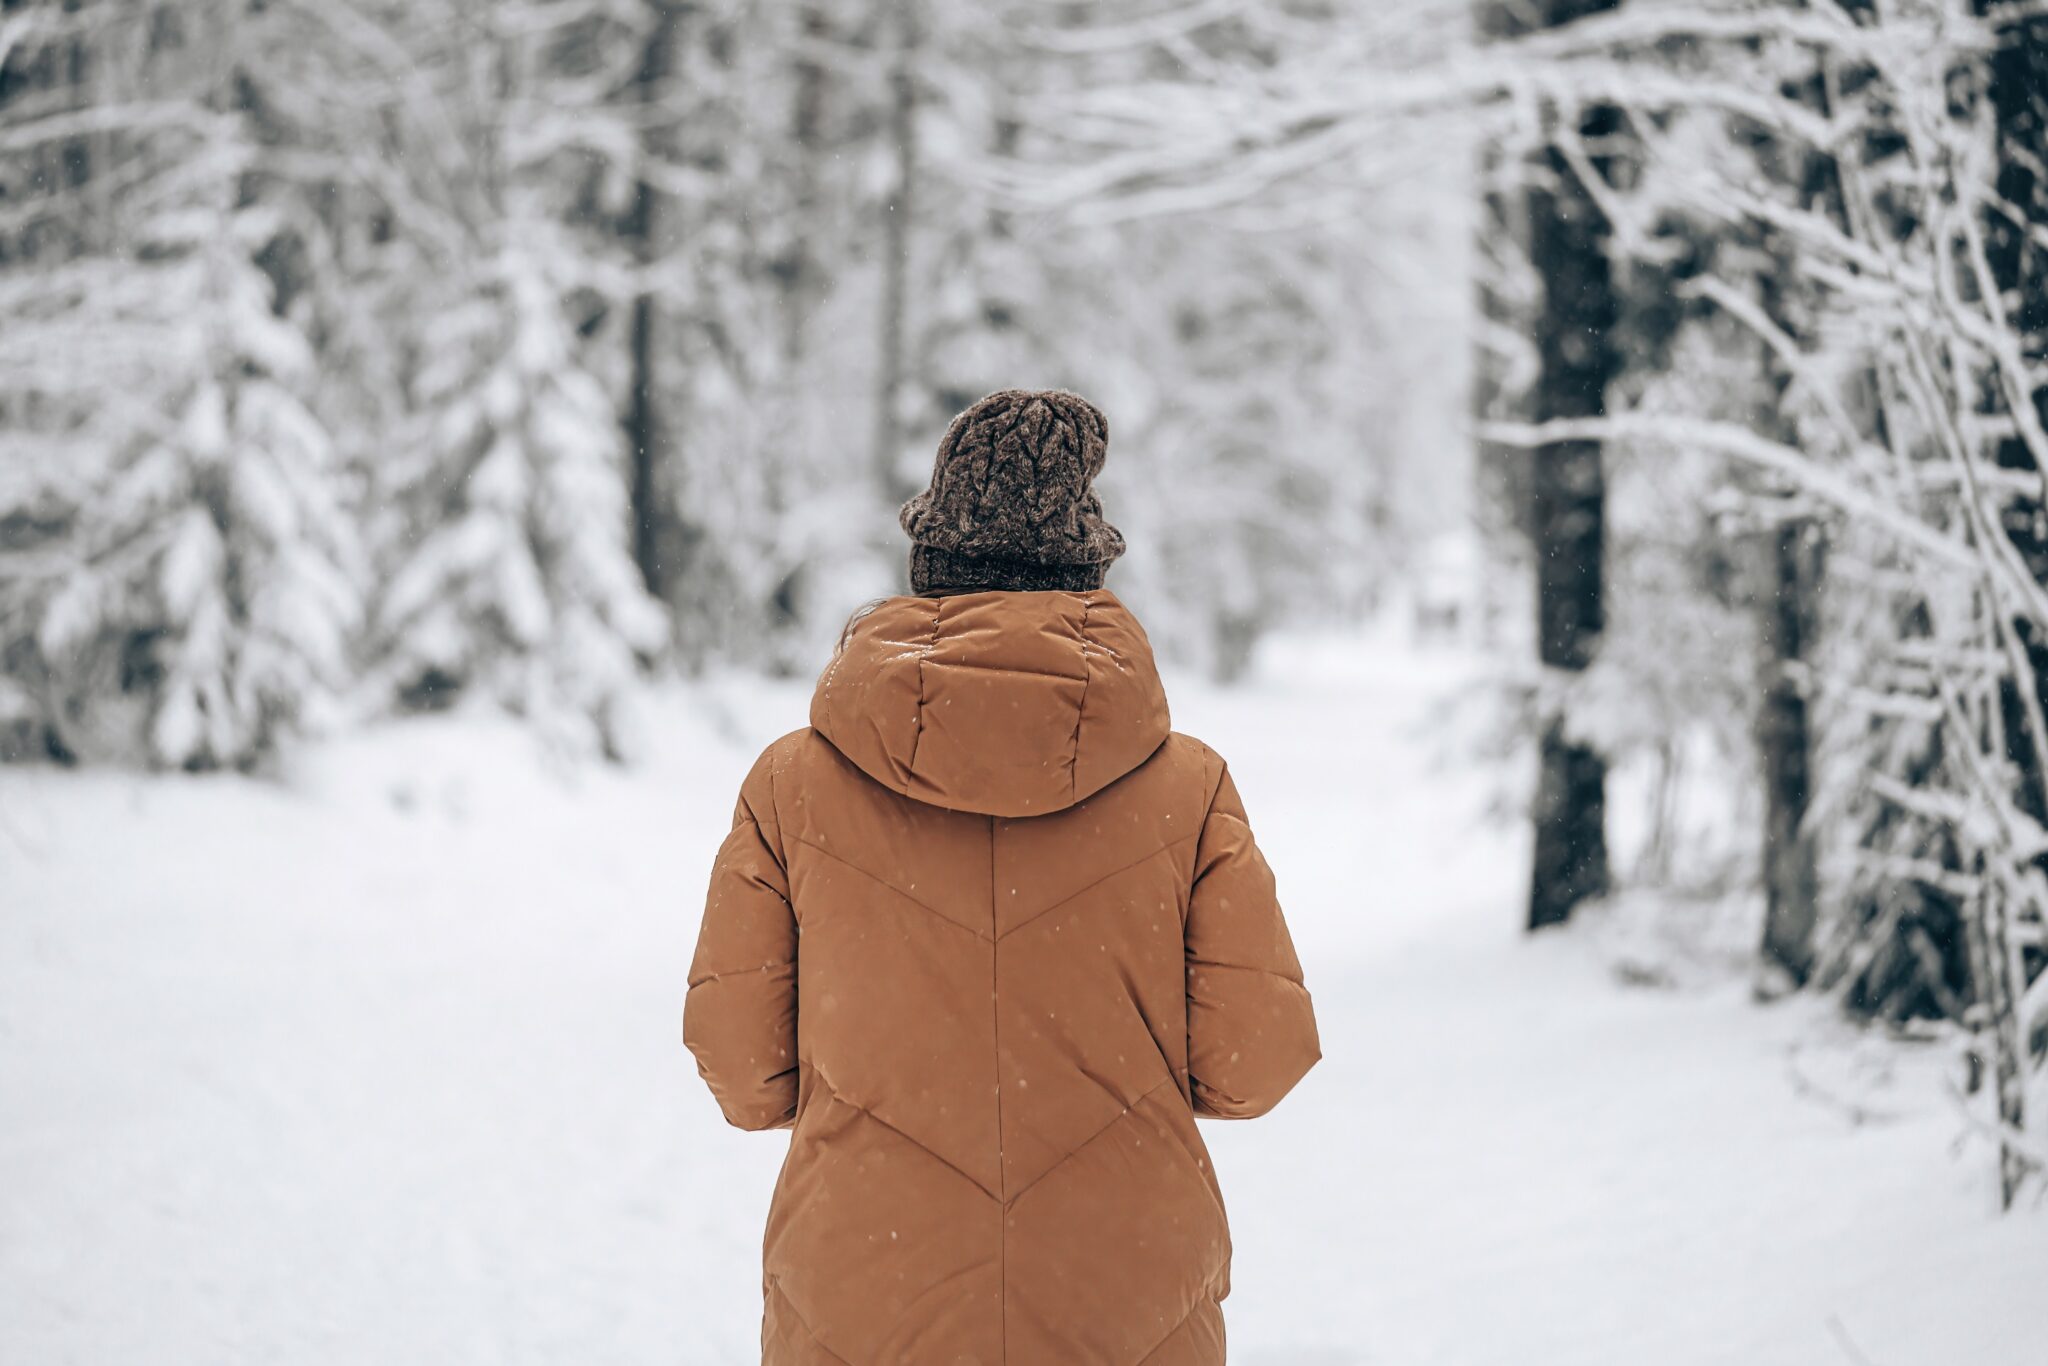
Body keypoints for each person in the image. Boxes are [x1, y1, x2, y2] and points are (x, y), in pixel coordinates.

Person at [684, 388, 1320, 1365]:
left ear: (925, 576)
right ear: (1084, 582)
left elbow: (744, 1074)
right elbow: (1255, 1060)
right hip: (1123, 1287)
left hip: (867, 1287)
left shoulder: (792, 785)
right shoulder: (1185, 789)